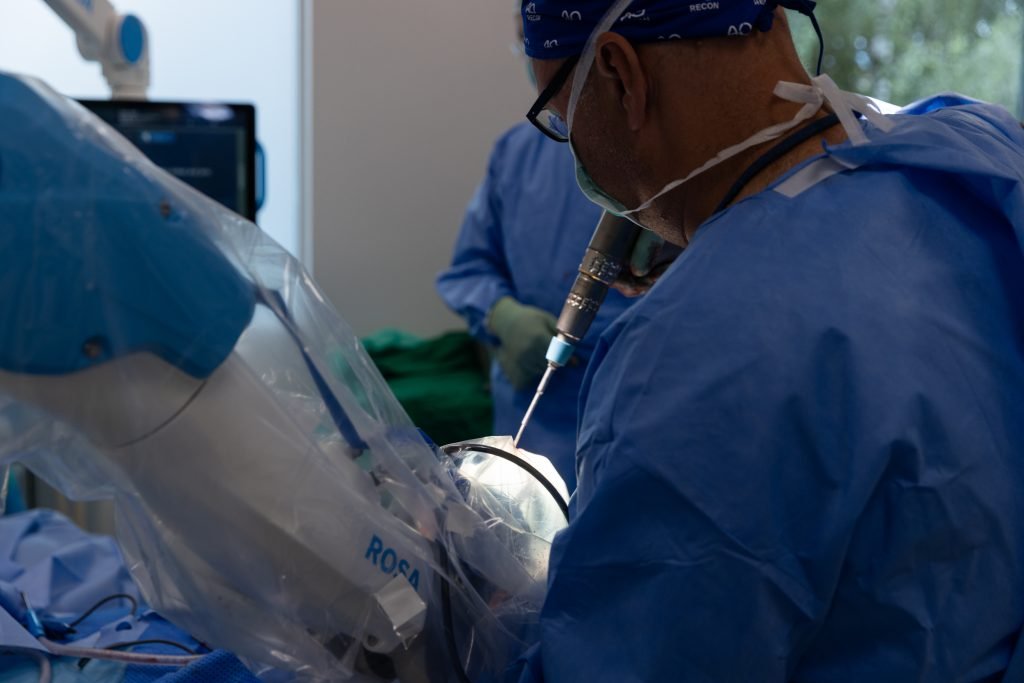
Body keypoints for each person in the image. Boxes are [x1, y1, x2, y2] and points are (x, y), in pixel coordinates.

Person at [512, 0, 1024, 680]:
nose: (575, 150)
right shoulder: (979, 146)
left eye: (561, 120)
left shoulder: (691, 355)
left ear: (619, 73)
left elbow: (626, 658)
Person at [437, 100, 632, 487]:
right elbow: (469, 270)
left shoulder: (662, 152)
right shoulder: (517, 152)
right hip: (531, 415)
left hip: (632, 410)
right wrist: (502, 315)